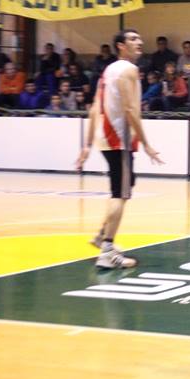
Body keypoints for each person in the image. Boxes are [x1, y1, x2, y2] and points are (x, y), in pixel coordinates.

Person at [75, 29, 163, 269]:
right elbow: (131, 110)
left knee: (126, 184)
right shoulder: (129, 70)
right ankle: (107, 251)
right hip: (119, 138)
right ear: (121, 46)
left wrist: (87, 144)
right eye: (133, 39)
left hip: (107, 137)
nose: (140, 41)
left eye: (139, 37)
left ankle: (102, 235)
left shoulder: (108, 70)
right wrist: (147, 144)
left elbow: (94, 107)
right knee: (120, 193)